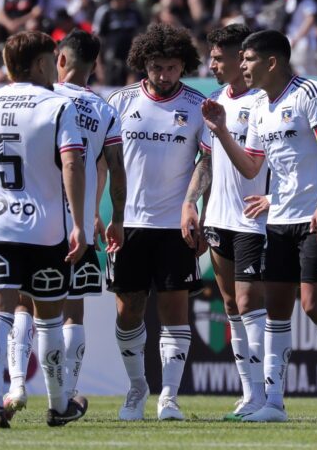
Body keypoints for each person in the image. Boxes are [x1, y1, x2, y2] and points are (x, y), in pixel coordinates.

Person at [202, 29, 317, 422]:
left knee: (314, 305)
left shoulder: (310, 93)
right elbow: (252, 166)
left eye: (246, 60)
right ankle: (273, 403)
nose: (241, 66)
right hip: (278, 219)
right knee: (277, 311)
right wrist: (222, 133)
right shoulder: (260, 106)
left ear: (271, 62)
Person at [2, 29, 127, 418]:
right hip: (81, 224)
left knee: (24, 305)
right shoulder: (105, 110)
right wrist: (107, 216)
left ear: (59, 60)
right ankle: (67, 393)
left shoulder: (43, 100)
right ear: (95, 67)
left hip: (35, 219)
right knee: (72, 312)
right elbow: (111, 170)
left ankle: (16, 387)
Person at [0, 30, 88, 429]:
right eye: (50, 60)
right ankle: (58, 405)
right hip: (44, 229)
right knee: (49, 318)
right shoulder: (58, 105)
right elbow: (72, 163)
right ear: (40, 64)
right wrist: (77, 222)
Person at [106, 22, 207, 421]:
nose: (162, 75)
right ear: (142, 64)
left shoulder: (199, 105)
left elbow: (209, 161)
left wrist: (191, 205)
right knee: (128, 310)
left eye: (170, 67)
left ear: (182, 66)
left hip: (175, 226)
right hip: (128, 223)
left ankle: (169, 396)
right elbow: (104, 163)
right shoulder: (118, 101)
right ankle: (136, 388)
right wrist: (100, 214)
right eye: (155, 67)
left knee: (174, 310)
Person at [181, 23, 268, 422]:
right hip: (218, 217)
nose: (211, 64)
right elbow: (207, 159)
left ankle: (269, 392)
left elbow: (258, 165)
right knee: (231, 304)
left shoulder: (264, 103)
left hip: (253, 216)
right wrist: (190, 203)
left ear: (240, 59)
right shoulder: (215, 101)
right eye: (211, 56)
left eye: (219, 58)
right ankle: (249, 394)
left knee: (250, 303)